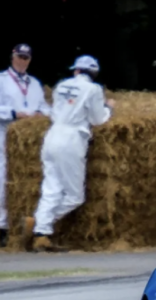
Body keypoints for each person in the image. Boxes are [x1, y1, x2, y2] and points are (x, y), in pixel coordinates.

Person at [24, 55, 115, 252]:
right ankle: (39, 225)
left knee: (51, 189)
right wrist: (109, 109)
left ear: (76, 71)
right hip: (72, 139)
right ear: (93, 74)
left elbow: (55, 111)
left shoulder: (61, 85)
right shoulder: (93, 89)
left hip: (52, 136)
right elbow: (98, 119)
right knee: (75, 196)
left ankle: (41, 234)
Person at [0, 43, 51, 247]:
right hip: (6, 133)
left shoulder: (35, 83)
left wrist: (42, 114)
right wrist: (12, 113)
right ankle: (2, 226)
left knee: (31, 179)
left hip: (28, 138)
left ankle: (29, 224)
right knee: (2, 179)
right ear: (13, 57)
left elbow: (44, 106)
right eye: (20, 57)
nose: (22, 61)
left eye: (26, 58)